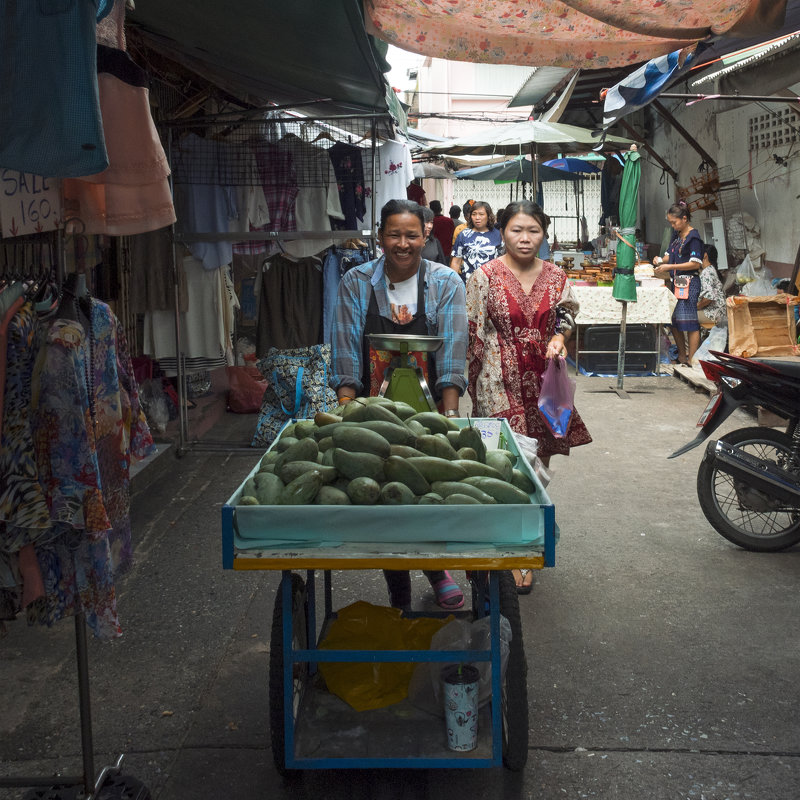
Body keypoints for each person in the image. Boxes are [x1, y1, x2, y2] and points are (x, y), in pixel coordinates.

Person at [330, 198, 468, 612]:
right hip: (373, 407)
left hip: (428, 408)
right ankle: (398, 587)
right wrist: (345, 413)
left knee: (427, 487)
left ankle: (437, 569)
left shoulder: (446, 283)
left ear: (426, 236)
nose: (403, 244)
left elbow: (453, 353)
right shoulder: (356, 282)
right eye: (394, 235)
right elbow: (346, 350)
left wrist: (450, 416)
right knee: (388, 490)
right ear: (380, 237)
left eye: (412, 235)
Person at [466, 200, 592, 593]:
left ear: (544, 233)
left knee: (538, 460)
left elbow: (566, 315)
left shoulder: (556, 276)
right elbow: (472, 329)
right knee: (505, 461)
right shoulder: (482, 276)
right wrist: (469, 384)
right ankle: (500, 547)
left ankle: (520, 545)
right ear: (502, 231)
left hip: (543, 378)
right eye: (517, 230)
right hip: (496, 378)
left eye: (533, 230)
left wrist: (558, 337)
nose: (524, 238)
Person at [653, 202, 704, 365]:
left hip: (690, 283)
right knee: (674, 321)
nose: (672, 225)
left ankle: (691, 359)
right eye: (670, 223)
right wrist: (660, 260)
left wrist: (670, 266)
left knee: (689, 321)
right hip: (677, 283)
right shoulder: (677, 236)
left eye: (674, 222)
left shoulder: (693, 237)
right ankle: (682, 355)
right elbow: (670, 256)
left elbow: (695, 264)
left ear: (684, 219)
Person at [450, 200, 503, 284]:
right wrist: (453, 284)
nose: (477, 217)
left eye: (481, 214)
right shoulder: (463, 235)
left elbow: (503, 262)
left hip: (492, 285)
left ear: (488, 216)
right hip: (468, 284)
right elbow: (456, 262)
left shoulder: (498, 235)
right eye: (474, 214)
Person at [697, 244, 726, 327]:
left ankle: (692, 340)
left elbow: (709, 298)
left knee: (681, 317)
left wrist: (696, 307)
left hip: (713, 314)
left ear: (705, 255)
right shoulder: (710, 269)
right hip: (717, 311)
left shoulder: (707, 272)